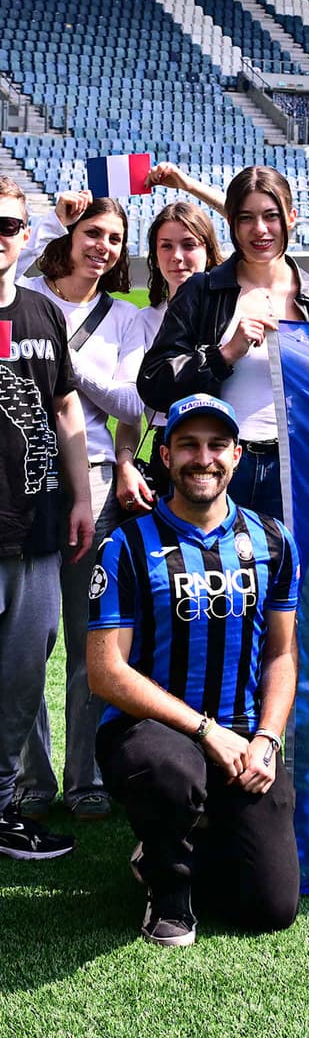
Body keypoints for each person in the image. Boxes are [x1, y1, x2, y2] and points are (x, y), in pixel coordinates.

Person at [86, 394, 301, 946]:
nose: (201, 458)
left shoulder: (272, 540)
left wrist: (268, 740)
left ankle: (185, 838)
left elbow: (281, 654)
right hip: (151, 736)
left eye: (215, 446)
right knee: (171, 772)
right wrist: (205, 732)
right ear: (164, 455)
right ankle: (169, 886)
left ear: (236, 456)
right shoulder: (126, 545)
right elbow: (106, 673)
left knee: (269, 908)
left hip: (244, 737)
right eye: (187, 445)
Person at [17, 195, 143, 822]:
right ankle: (30, 778)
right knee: (27, 646)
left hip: (95, 484)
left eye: (116, 239)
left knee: (92, 641)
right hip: (27, 484)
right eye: (93, 232)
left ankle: (85, 777)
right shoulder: (26, 296)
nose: (103, 247)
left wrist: (65, 365)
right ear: (68, 234)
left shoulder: (124, 318)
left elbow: (131, 404)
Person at [138, 166, 309, 518]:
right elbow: (153, 383)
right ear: (231, 223)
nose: (259, 229)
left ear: (291, 218)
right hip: (217, 466)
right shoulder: (201, 292)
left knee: (289, 571)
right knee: (219, 570)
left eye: (271, 216)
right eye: (246, 218)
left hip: (296, 468)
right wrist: (223, 354)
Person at [0, 176, 94, 861]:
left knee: (22, 678)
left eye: (7, 225)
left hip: (34, 529)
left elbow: (64, 407)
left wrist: (84, 496)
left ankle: (4, 806)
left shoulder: (41, 313)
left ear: (25, 235)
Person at [111, 201, 225, 522]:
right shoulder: (145, 321)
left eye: (189, 245)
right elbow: (131, 411)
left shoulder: (231, 311)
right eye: (166, 246)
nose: (176, 256)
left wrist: (190, 186)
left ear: (209, 249)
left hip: (226, 451)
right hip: (167, 452)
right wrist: (125, 463)